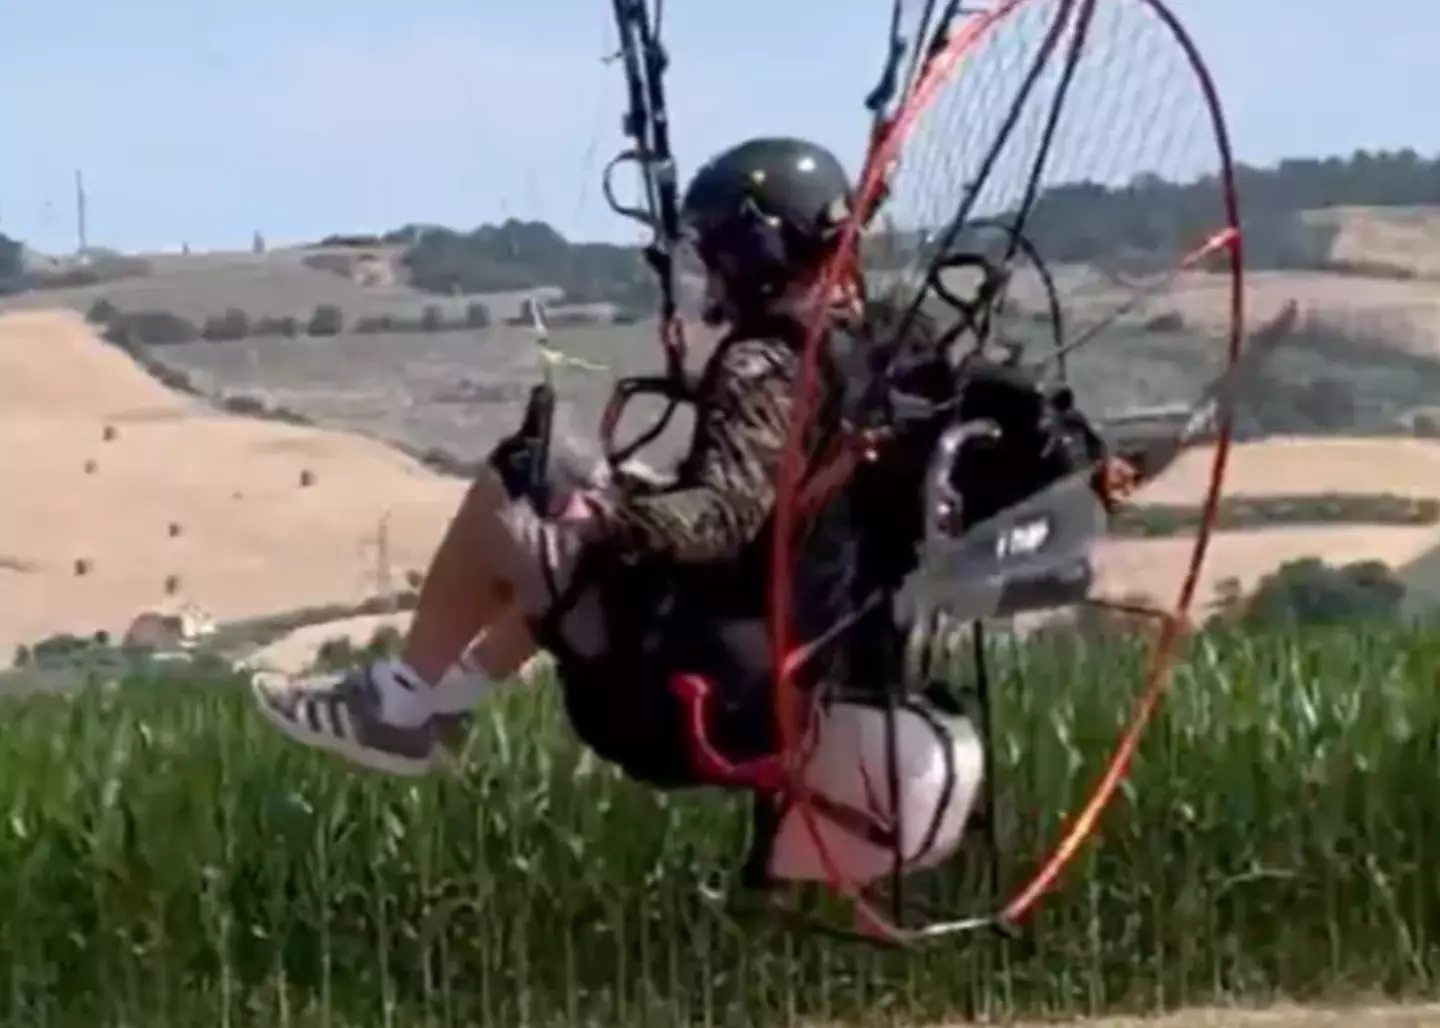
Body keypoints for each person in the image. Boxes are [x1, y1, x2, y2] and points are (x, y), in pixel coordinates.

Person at [252, 136, 865, 781]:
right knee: (578, 490)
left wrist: (612, 516)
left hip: (706, 684)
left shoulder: (764, 363)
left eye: (717, 253)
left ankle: (398, 706)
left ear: (753, 255)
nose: (710, 273)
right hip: (792, 660)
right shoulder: (866, 356)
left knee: (523, 475)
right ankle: (446, 701)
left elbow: (724, 517)